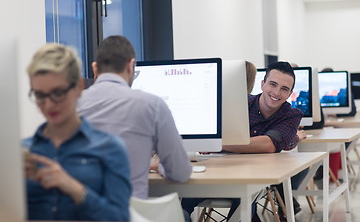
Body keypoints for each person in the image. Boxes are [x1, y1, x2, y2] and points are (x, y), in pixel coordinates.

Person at [182, 62, 304, 220]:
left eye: (284, 89)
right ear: (262, 84)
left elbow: (268, 144)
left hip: (254, 179)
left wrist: (218, 144)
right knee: (181, 201)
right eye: (272, 84)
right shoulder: (240, 103)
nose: (276, 92)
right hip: (219, 171)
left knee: (245, 202)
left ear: (289, 94)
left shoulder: (292, 115)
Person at [24, 43, 131, 221]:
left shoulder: (109, 148)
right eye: (40, 95)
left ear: (79, 88)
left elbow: (119, 218)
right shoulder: (24, 152)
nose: (48, 105)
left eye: (58, 93)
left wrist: (75, 189)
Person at [77, 35, 192, 200]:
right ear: (131, 66)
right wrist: (159, 166)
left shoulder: (71, 106)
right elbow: (180, 173)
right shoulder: (152, 104)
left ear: (95, 69)